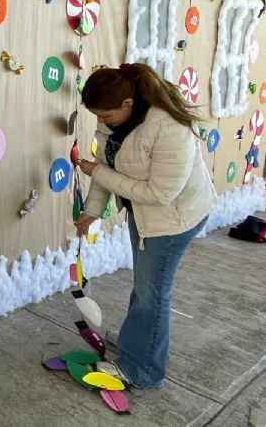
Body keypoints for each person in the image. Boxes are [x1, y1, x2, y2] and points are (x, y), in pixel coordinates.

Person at [75, 62, 216, 388]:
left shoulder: (169, 128)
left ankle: (142, 370)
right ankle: (136, 342)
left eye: (104, 116)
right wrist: (92, 210)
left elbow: (159, 193)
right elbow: (104, 166)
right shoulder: (114, 122)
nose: (100, 122)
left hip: (173, 219)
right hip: (146, 214)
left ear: (127, 104)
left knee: (153, 294)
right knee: (144, 287)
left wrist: (96, 173)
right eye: (97, 116)